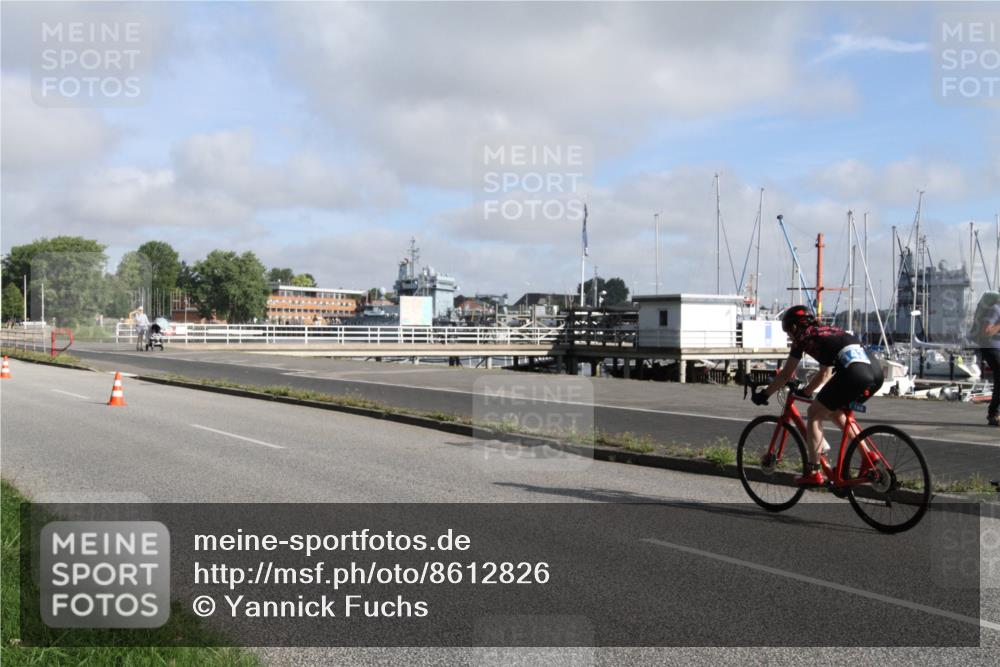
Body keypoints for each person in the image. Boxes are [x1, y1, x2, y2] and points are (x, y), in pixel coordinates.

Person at [751, 305, 881, 486]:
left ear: (795, 327)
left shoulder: (803, 338)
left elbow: (786, 374)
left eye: (788, 332)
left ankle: (813, 471)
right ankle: (868, 456)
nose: (789, 336)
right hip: (875, 373)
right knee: (835, 412)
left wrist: (764, 394)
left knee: (814, 413)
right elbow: (824, 375)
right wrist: (806, 391)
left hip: (854, 374)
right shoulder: (829, 331)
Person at [979, 300, 1000, 427]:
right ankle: (993, 413)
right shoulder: (996, 309)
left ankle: (994, 413)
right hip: (991, 348)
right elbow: (986, 331)